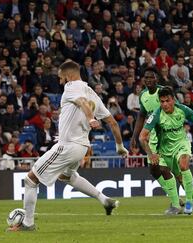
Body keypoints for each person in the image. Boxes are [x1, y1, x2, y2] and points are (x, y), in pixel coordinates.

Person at [8, 61, 128, 232]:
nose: (61, 81)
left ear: (69, 75)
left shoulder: (72, 86)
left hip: (68, 146)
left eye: (61, 78)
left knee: (31, 179)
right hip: (81, 147)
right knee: (67, 176)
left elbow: (82, 103)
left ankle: (27, 224)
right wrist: (120, 146)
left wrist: (90, 118)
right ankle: (104, 200)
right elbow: (113, 123)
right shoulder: (93, 93)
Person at [139, 87, 193, 215]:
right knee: (174, 176)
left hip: (181, 144)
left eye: (167, 101)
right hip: (165, 149)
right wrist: (151, 154)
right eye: (162, 101)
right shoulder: (156, 115)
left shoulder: (182, 109)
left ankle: (188, 202)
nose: (165, 104)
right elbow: (142, 137)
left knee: (184, 165)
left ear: (173, 100)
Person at [130, 67, 184, 210]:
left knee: (165, 168)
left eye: (151, 77)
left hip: (167, 134)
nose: (148, 80)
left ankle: (177, 203)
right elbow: (141, 116)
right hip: (153, 135)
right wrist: (135, 136)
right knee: (154, 169)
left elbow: (178, 110)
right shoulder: (143, 95)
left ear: (157, 79)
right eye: (146, 77)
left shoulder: (164, 92)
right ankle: (179, 198)